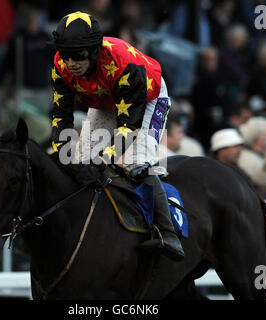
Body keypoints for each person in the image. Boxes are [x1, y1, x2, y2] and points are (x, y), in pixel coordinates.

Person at [49, 11, 184, 261]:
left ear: (93, 50)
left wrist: (102, 161)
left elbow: (128, 128)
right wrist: (62, 155)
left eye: (77, 56)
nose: (70, 63)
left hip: (147, 98)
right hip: (105, 100)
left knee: (135, 163)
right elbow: (61, 117)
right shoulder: (60, 66)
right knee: (78, 161)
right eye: (65, 54)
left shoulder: (125, 65)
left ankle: (168, 232)